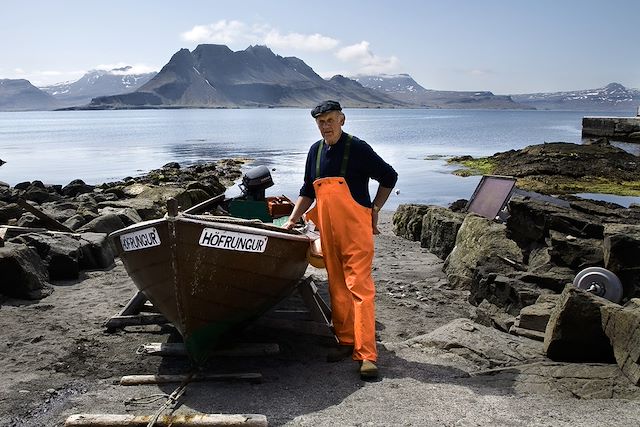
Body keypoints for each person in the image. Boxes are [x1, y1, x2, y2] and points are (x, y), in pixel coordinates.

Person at [283, 100, 398, 379]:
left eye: (330, 120)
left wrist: (375, 210)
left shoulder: (358, 148)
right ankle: (346, 341)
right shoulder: (316, 151)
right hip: (329, 233)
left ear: (342, 119)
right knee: (336, 288)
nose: (326, 126)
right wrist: (292, 219)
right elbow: (308, 189)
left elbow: (389, 176)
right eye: (321, 122)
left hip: (356, 233)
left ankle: (367, 354)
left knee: (359, 289)